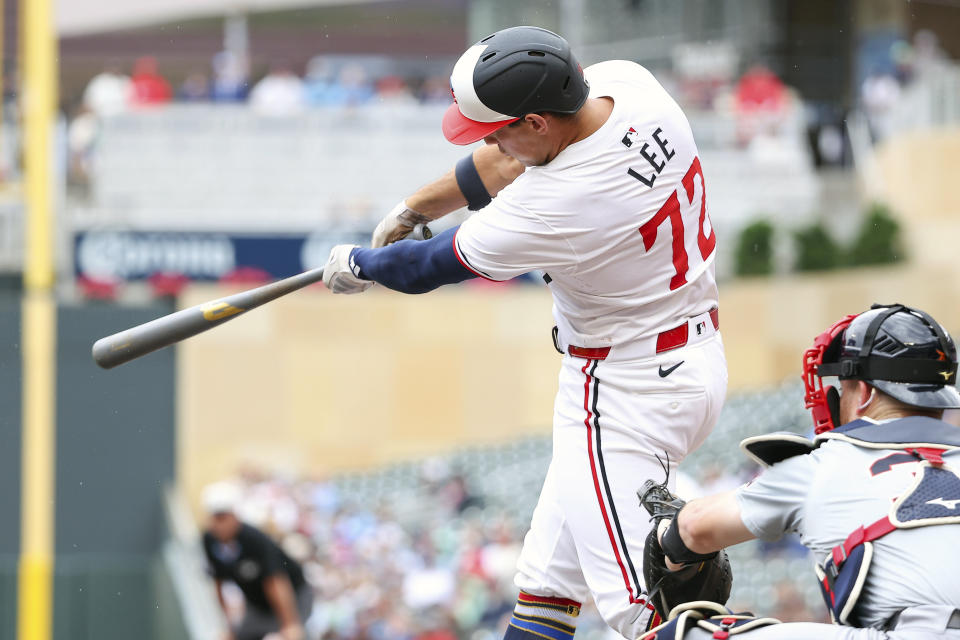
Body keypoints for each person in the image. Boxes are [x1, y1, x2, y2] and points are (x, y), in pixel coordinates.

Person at [321, 25, 726, 638]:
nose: (493, 139)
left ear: (537, 120)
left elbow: (430, 267)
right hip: (681, 358)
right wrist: (416, 207)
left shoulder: (558, 202)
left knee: (648, 612)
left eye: (502, 125)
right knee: (546, 588)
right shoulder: (631, 85)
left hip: (623, 388)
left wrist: (361, 265)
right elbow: (507, 155)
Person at [645, 303, 960, 639]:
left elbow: (693, 529)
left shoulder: (826, 465)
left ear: (864, 393)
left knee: (684, 635)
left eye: (845, 382)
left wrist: (667, 535)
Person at [201, 482, 311, 640]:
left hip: (293, 598)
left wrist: (290, 623)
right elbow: (218, 583)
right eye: (214, 518)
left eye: (222, 518)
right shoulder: (210, 541)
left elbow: (276, 582)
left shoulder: (255, 540)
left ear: (235, 516)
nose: (218, 525)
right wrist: (228, 627)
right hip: (258, 605)